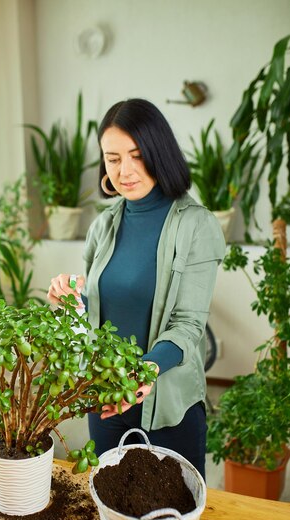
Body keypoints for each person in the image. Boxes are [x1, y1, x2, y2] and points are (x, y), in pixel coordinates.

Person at [47, 98, 225, 479]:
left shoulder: (197, 226)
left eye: (137, 155)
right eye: (113, 159)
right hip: (108, 402)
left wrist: (145, 371)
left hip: (168, 408)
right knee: (111, 514)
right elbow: (98, 309)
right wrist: (68, 300)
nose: (124, 171)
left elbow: (188, 325)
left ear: (159, 153)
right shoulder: (104, 225)